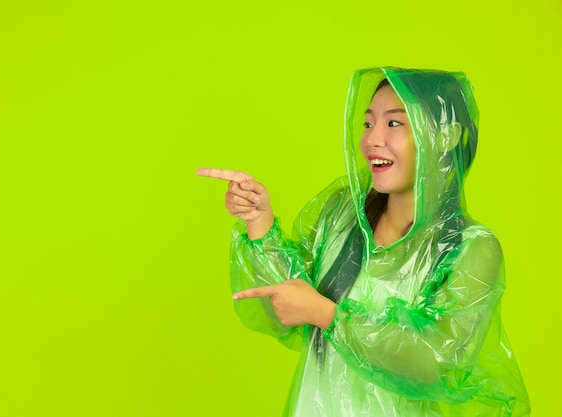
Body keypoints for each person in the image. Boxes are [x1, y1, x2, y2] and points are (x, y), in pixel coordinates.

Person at [197, 66, 530, 416]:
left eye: (394, 123)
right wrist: (259, 221)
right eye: (368, 124)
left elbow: (437, 363)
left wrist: (329, 316)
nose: (373, 140)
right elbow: (288, 306)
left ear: (445, 137)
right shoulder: (343, 213)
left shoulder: (470, 248)